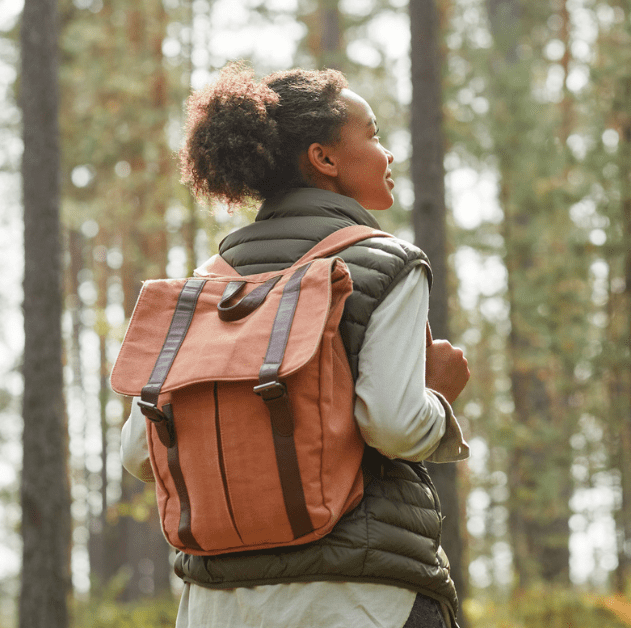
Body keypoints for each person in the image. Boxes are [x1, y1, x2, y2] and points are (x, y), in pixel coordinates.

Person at [120, 62, 471, 628]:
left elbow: (140, 452)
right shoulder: (384, 263)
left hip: (218, 605)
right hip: (359, 600)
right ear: (324, 158)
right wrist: (438, 396)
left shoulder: (203, 285)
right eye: (374, 134)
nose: (388, 153)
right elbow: (395, 424)